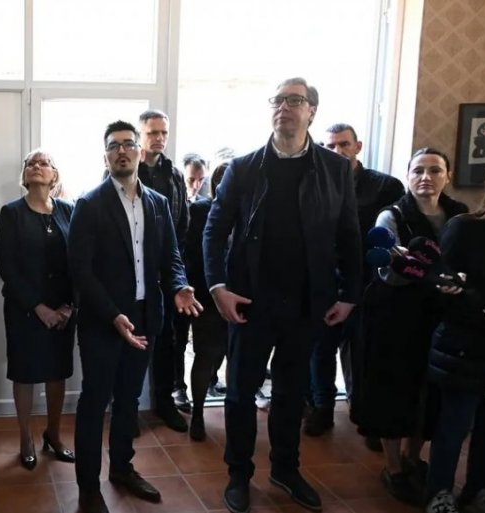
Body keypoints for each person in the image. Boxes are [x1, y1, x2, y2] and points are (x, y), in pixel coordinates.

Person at [203, 77, 361, 513]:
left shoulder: (335, 169)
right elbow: (213, 232)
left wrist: (349, 293)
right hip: (249, 302)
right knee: (240, 394)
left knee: (292, 394)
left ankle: (285, 469)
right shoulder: (243, 168)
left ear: (312, 111)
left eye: (295, 100)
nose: (284, 107)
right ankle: (238, 474)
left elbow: (349, 236)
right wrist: (217, 287)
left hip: (308, 303)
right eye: (278, 100)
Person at [69, 120, 202, 513]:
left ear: (140, 153)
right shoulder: (89, 204)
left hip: (146, 318)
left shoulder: (158, 203)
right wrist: (113, 315)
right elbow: (81, 272)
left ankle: (122, 469)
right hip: (102, 322)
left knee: (129, 399)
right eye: (114, 146)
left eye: (129, 144)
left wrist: (179, 285)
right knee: (95, 402)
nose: (122, 151)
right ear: (105, 157)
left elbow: (170, 257)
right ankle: (88, 488)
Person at [351, 147, 468, 506]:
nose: (426, 177)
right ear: (408, 175)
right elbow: (387, 271)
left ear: (447, 176)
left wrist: (456, 280)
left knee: (428, 393)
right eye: (418, 170)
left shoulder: (460, 215)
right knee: (394, 391)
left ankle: (412, 457)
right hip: (395, 318)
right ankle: (393, 469)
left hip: (441, 317)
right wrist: (430, 276)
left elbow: (465, 262)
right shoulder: (391, 216)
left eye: (435, 170)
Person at [304, 123, 405, 438]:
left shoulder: (385, 186)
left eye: (344, 144)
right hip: (324, 280)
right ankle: (322, 409)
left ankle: (365, 415)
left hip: (368, 283)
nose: (337, 151)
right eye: (330, 146)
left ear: (358, 146)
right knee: (321, 349)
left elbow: (394, 234)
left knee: (363, 352)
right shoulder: (313, 182)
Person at [0, 149, 76, 471]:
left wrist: (69, 307)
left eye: (44, 163)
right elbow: (8, 268)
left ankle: (53, 434)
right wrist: (39, 308)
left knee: (57, 372)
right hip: (24, 309)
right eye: (31, 163)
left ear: (54, 175)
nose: (36, 166)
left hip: (63, 310)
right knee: (25, 372)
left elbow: (80, 262)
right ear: (25, 174)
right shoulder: (11, 213)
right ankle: (25, 437)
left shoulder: (69, 210)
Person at [424, 172, 485, 513]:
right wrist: (479, 306)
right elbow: (442, 285)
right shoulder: (465, 227)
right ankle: (439, 493)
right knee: (454, 425)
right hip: (464, 344)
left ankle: (480, 489)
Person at [135, 109, 192, 432]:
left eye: (163, 133)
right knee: (133, 340)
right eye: (152, 132)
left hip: (166, 274)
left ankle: (165, 403)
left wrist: (175, 272)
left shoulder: (174, 174)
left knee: (168, 342)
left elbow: (182, 224)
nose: (159, 138)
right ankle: (127, 409)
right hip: (133, 274)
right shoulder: (127, 169)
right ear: (141, 135)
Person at [179, 161, 229, 440]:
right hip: (207, 294)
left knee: (232, 355)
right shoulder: (200, 209)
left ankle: (233, 407)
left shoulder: (251, 210)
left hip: (243, 295)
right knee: (205, 354)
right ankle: (198, 413)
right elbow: (192, 254)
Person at [173, 153, 210, 414]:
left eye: (200, 180)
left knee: (204, 340)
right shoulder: (176, 204)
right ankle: (178, 386)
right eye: (191, 179)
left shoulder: (205, 205)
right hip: (181, 281)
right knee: (178, 338)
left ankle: (209, 382)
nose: (196, 185)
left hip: (202, 282)